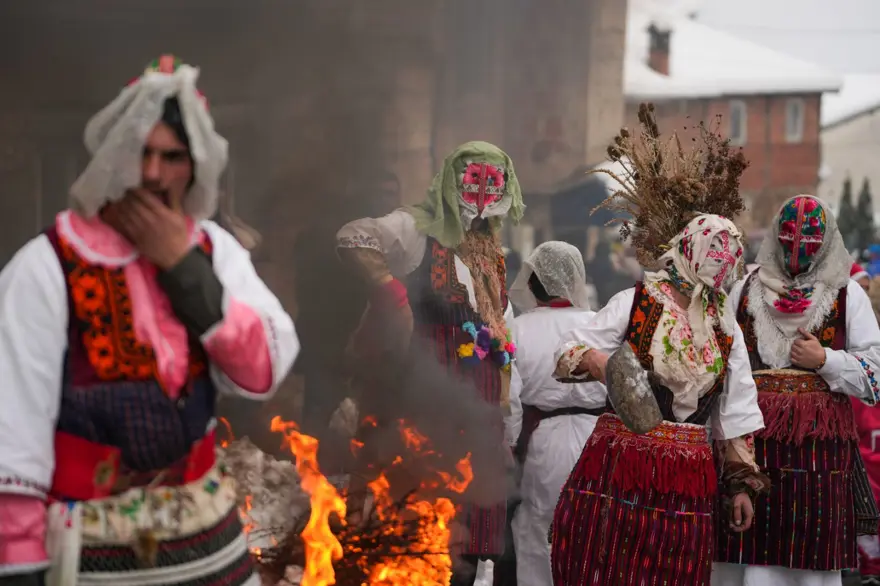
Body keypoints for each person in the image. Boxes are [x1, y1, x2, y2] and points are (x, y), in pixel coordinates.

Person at [0, 55, 299, 586]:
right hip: (91, 549)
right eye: (142, 153)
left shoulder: (215, 251)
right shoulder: (46, 266)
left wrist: (185, 270)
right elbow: (12, 438)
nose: (154, 173)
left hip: (208, 541)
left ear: (195, 165)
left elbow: (263, 371)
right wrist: (20, 570)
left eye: (173, 156)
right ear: (115, 156)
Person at [549, 104, 769, 586]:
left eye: (728, 260)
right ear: (689, 250)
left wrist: (740, 486)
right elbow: (567, 352)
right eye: (713, 255)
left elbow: (735, 409)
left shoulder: (724, 325)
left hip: (688, 480)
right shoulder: (637, 301)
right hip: (621, 466)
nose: (721, 268)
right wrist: (598, 361)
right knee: (607, 571)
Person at [336, 141, 525, 586]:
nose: (479, 201)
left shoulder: (491, 256)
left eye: (491, 187)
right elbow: (353, 235)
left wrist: (504, 422)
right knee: (415, 536)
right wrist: (388, 290)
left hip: (476, 418)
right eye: (473, 184)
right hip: (423, 407)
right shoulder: (418, 230)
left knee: (467, 551)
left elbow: (501, 343)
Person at [714, 195, 880, 586]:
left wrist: (825, 360)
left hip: (821, 455)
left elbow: (876, 375)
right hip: (755, 448)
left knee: (814, 566)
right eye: (788, 243)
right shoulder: (743, 290)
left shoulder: (845, 294)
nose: (795, 258)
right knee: (752, 558)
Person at [504, 241, 604, 586]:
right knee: (593, 526)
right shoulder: (600, 324)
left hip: (542, 443)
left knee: (537, 526)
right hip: (598, 440)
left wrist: (509, 444)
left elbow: (510, 401)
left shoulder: (519, 328)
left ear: (532, 282)